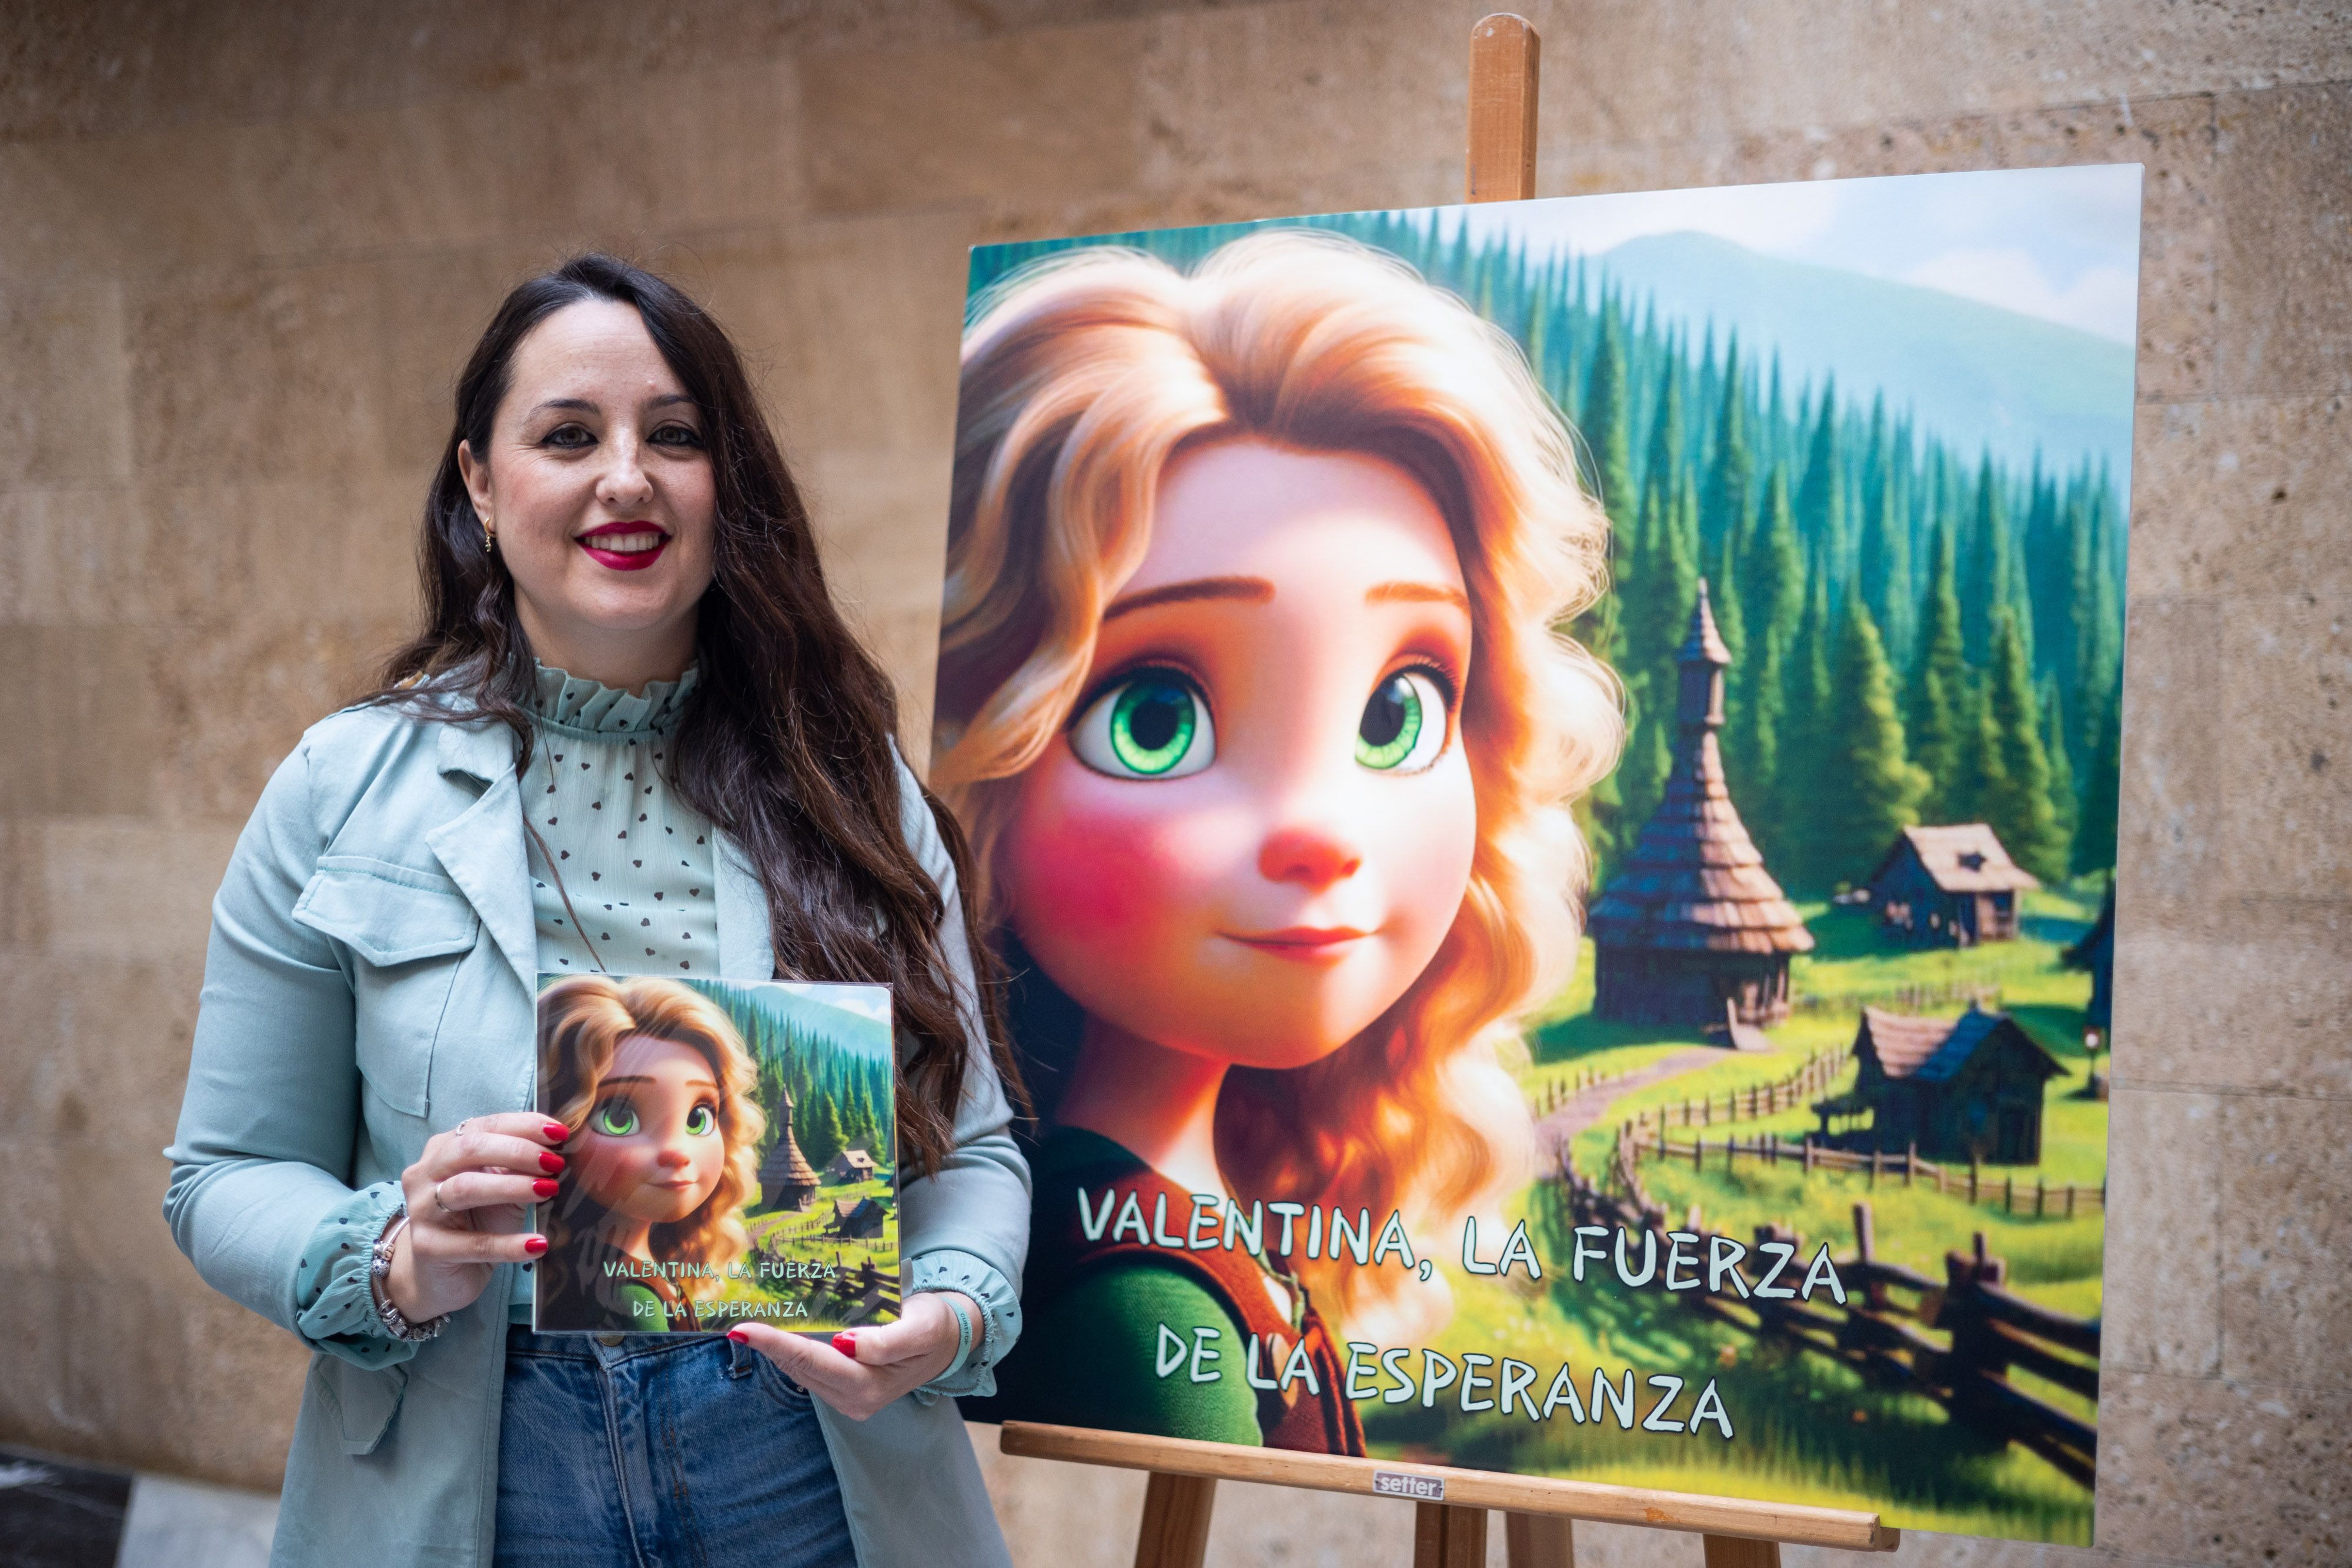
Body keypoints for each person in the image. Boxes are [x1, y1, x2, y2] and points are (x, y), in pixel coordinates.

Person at [164, 254, 1028, 1568]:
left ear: (721, 483)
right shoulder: (340, 786)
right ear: (477, 479)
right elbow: (221, 1175)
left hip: (800, 1455)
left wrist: (950, 1311)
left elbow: (972, 1152)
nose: (625, 478)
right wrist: (391, 1255)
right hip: (481, 1452)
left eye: (673, 437)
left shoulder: (847, 785)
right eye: (569, 435)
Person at [934, 231, 1619, 1450]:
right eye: (1154, 717)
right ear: (975, 765)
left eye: (1398, 710)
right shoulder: (1134, 1301)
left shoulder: (1157, 1216)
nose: (1319, 831)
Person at [534, 975, 769, 1334]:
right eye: (618, 1118)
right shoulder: (630, 1298)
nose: (676, 1152)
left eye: (698, 1117)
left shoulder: (608, 1267)